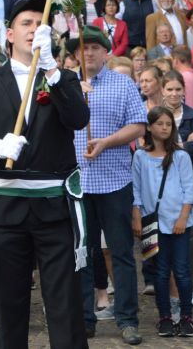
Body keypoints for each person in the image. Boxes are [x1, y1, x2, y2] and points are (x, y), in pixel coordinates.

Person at [0, 0, 92, 349]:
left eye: (41, 24)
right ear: (10, 33)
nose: (34, 29)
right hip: (5, 211)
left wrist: (52, 70)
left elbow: (79, 120)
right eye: (26, 23)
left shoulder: (61, 77)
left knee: (65, 306)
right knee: (9, 308)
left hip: (54, 210)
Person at [66, 26, 145, 344]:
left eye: (95, 48)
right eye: (83, 49)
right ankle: (84, 319)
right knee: (82, 253)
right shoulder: (65, 85)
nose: (89, 53)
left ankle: (127, 319)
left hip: (114, 182)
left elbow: (138, 126)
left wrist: (107, 142)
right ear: (75, 54)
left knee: (122, 252)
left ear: (106, 52)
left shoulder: (123, 83)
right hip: (76, 184)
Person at [132, 105, 193, 338]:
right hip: (151, 223)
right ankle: (165, 317)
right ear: (149, 127)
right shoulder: (140, 156)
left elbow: (189, 190)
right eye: (159, 123)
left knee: (181, 271)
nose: (164, 128)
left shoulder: (180, 156)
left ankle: (187, 316)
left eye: (168, 124)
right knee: (159, 272)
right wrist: (137, 217)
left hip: (179, 222)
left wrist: (183, 217)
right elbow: (136, 190)